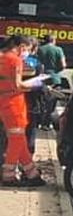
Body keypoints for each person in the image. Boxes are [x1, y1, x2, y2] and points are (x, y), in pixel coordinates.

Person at [1, 35, 47, 187]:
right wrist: (35, 85)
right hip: (15, 104)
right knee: (16, 140)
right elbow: (17, 85)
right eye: (26, 49)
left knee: (19, 139)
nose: (26, 53)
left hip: (4, 102)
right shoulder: (15, 60)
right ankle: (9, 175)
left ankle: (31, 173)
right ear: (20, 47)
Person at [36, 34, 65, 129]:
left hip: (41, 78)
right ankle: (46, 124)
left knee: (40, 100)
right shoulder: (58, 50)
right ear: (53, 40)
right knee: (51, 103)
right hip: (54, 78)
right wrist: (56, 70)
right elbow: (63, 65)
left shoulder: (40, 49)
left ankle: (37, 122)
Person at [23, 37, 45, 155]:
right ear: (35, 49)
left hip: (15, 102)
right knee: (31, 132)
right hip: (32, 103)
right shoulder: (37, 63)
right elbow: (40, 85)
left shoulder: (15, 60)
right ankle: (27, 161)